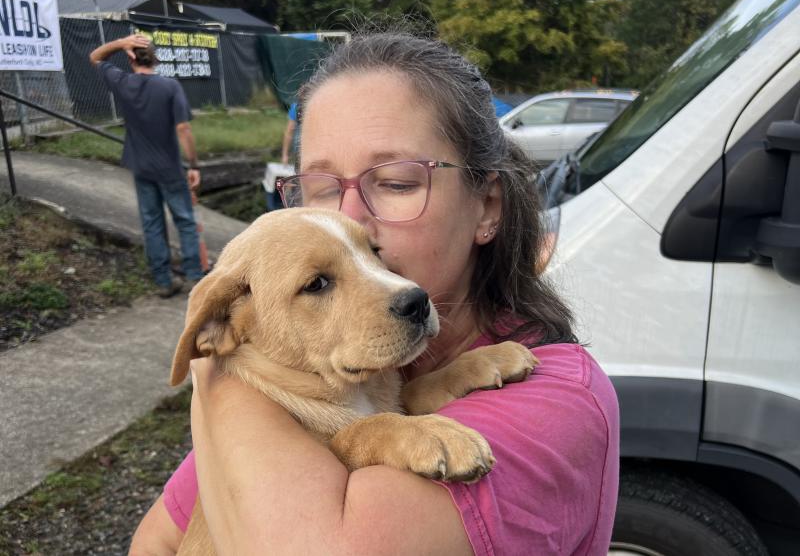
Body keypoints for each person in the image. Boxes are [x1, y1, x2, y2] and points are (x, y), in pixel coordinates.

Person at [130, 32, 620, 554]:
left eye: (397, 182)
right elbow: (155, 540)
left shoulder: (558, 405)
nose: (346, 221)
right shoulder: (307, 373)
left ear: (488, 206)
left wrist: (213, 380)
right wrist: (215, 338)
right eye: (320, 189)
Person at [89, 34, 204, 298]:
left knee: (152, 222)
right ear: (156, 58)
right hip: (170, 168)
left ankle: (164, 281)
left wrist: (120, 43)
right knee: (184, 220)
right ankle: (195, 278)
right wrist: (194, 165)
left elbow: (95, 57)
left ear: (131, 57)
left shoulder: (122, 82)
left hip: (140, 166)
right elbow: (184, 128)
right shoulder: (170, 87)